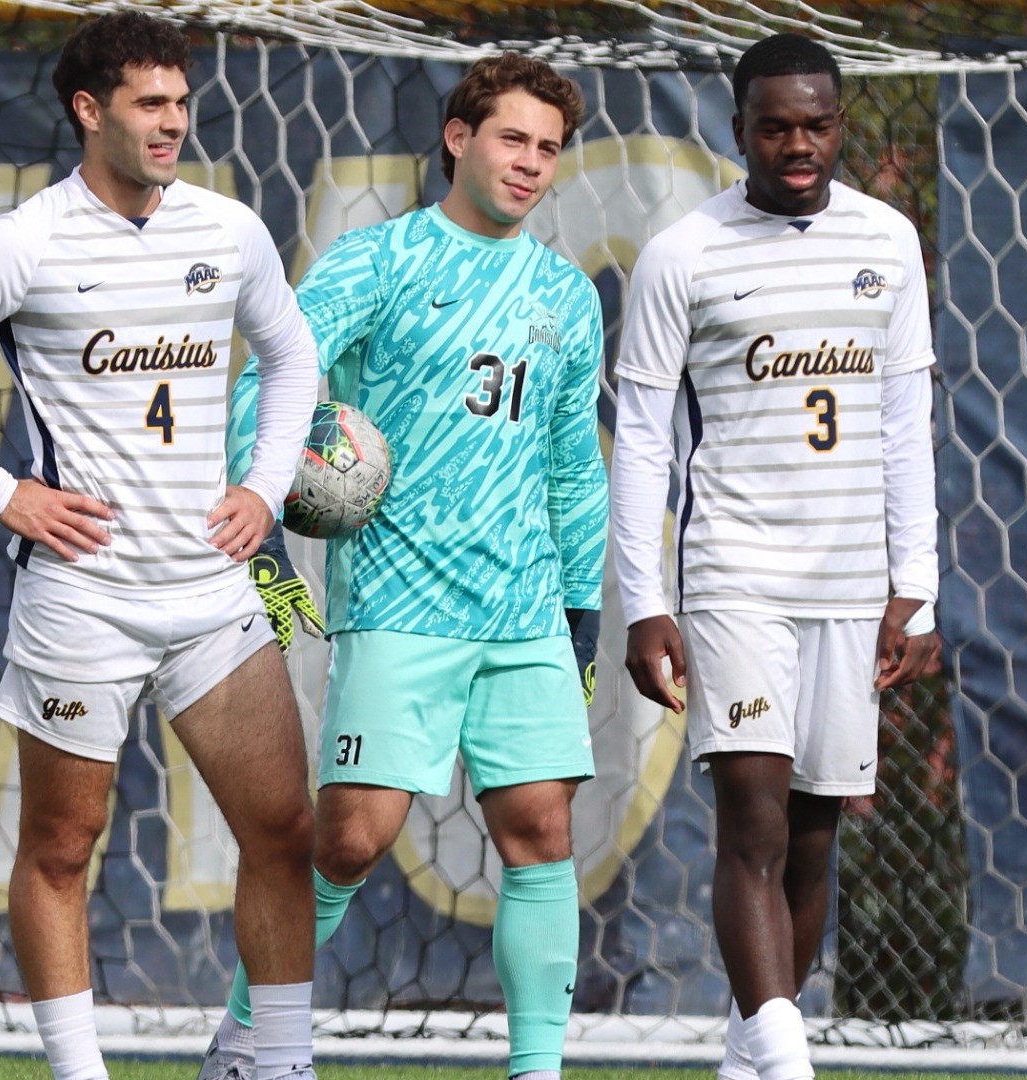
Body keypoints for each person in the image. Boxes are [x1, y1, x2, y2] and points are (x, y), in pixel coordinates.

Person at [0, 12, 324, 1080]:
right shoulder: (25, 242)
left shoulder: (229, 230)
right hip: (83, 599)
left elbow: (294, 359)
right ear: (88, 111)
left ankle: (275, 1063)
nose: (173, 124)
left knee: (287, 828)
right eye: (149, 105)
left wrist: (262, 484)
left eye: (181, 102)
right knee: (64, 849)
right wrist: (4, 491)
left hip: (213, 595)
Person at [196, 53, 605, 1080]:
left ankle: (537, 1071)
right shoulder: (379, 261)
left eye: (548, 149)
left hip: (523, 611)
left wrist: (584, 601)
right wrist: (272, 494)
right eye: (512, 138)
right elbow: (275, 379)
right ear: (460, 138)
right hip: (401, 600)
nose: (529, 164)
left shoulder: (565, 294)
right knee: (349, 841)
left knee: (543, 832)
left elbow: (571, 462)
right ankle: (250, 1035)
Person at [609, 33, 942, 1080]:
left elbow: (903, 422)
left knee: (810, 839)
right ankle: (790, 1065)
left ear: (838, 122)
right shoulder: (684, 253)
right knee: (751, 814)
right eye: (775, 126)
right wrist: (641, 600)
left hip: (849, 587)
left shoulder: (887, 243)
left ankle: (750, 1060)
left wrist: (917, 587)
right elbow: (646, 441)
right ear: (739, 127)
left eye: (817, 124)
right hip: (734, 574)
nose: (798, 145)